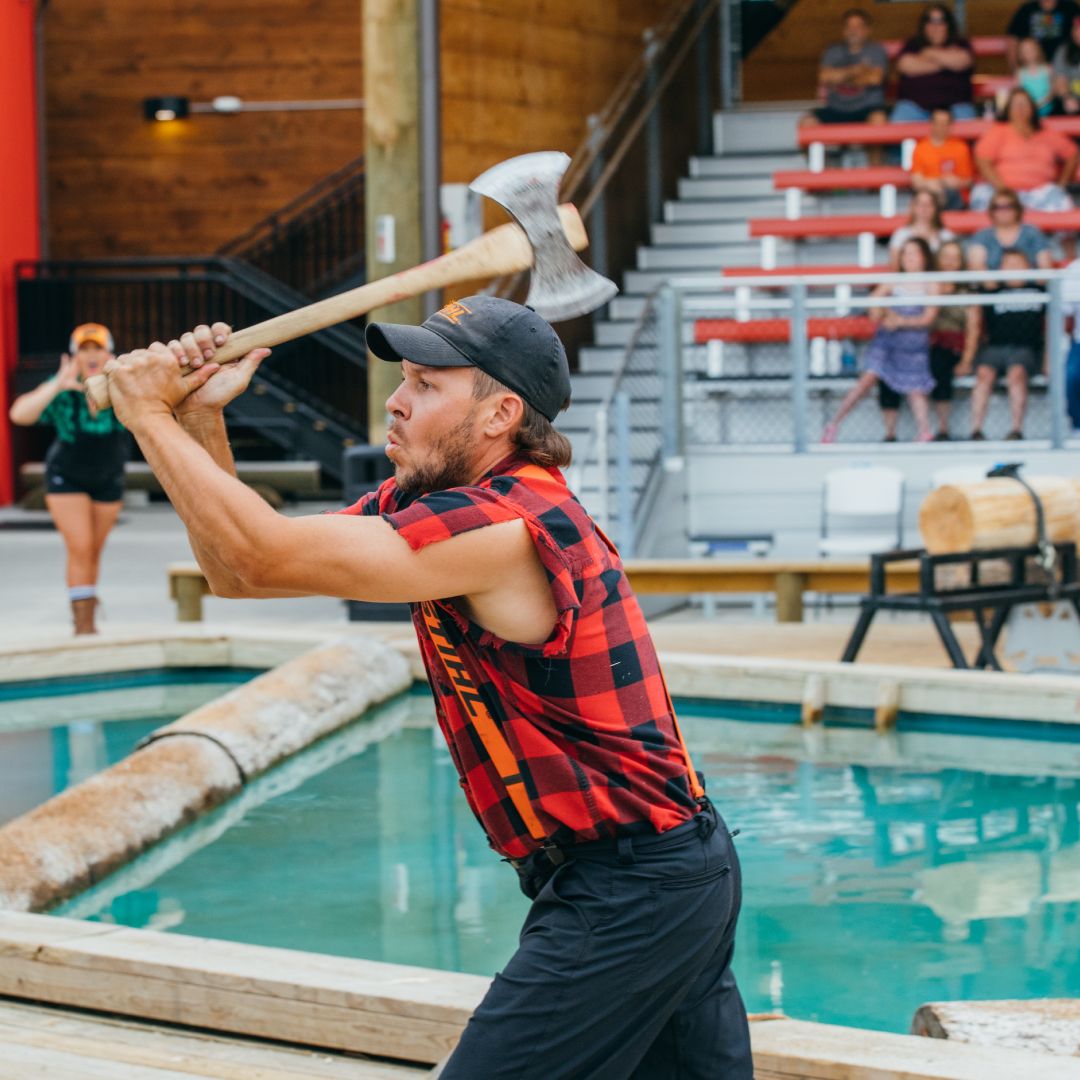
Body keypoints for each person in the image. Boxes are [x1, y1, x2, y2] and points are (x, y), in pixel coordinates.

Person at [98, 296, 754, 1080]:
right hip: (656, 870)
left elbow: (258, 555)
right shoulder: (436, 502)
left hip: (638, 884)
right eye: (404, 378)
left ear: (500, 415)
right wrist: (200, 418)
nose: (396, 402)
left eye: (425, 384)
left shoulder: (509, 525)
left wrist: (151, 419)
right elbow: (239, 570)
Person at [8, 323, 127, 635]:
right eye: (84, 349)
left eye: (97, 348)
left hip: (109, 475)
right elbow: (19, 414)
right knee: (80, 547)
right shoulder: (62, 386)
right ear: (74, 356)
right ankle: (84, 626)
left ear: (109, 354)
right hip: (67, 476)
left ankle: (87, 609)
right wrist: (57, 385)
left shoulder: (122, 385)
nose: (91, 355)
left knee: (94, 550)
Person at [822, 238, 938, 443]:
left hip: (913, 346)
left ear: (924, 257)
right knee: (865, 381)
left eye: (914, 253)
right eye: (905, 253)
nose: (909, 258)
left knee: (916, 388)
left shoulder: (931, 283)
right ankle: (833, 425)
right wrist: (884, 314)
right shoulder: (894, 280)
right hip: (888, 343)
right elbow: (874, 304)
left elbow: (929, 318)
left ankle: (924, 431)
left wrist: (901, 321)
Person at [966, 248, 1046, 439]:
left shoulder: (1039, 291)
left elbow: (1050, 327)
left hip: (1026, 349)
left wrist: (1047, 360)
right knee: (983, 373)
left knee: (1016, 373)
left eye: (1018, 264)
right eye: (1008, 264)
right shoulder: (992, 292)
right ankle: (976, 430)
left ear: (1028, 268)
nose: (1013, 269)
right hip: (995, 347)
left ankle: (1016, 430)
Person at [799, 8, 889, 164]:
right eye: (849, 26)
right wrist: (856, 71)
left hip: (867, 110)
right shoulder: (832, 51)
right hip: (836, 110)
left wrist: (839, 76)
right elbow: (824, 77)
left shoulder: (876, 50)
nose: (853, 30)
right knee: (806, 124)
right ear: (843, 30)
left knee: (879, 120)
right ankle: (824, 174)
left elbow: (875, 78)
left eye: (858, 26)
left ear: (867, 30)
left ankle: (876, 174)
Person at [969, 88, 1078, 213]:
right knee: (981, 194)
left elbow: (1072, 154)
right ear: (1008, 109)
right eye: (1016, 104)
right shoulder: (998, 131)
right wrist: (1003, 190)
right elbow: (983, 161)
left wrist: (1062, 183)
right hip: (1002, 191)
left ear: (1032, 108)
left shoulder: (1046, 132)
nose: (1020, 108)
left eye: (1024, 104)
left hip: (1040, 193)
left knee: (1061, 201)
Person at [927, 240, 981, 439]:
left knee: (941, 362)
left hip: (957, 346)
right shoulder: (928, 287)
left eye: (955, 258)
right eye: (946, 257)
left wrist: (966, 360)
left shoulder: (968, 292)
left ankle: (942, 428)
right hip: (929, 343)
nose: (950, 262)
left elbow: (974, 329)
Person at [891, 4, 977, 123]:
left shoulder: (961, 43)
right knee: (899, 120)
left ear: (948, 25)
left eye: (941, 21)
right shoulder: (912, 44)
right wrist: (947, 61)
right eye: (930, 21)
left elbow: (962, 62)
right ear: (924, 26)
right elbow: (905, 66)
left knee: (969, 123)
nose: (935, 26)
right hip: (915, 107)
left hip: (957, 106)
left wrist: (929, 53)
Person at [966, 186, 1055, 269]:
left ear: (1017, 209)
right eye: (997, 207)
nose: (1003, 211)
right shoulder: (983, 236)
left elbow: (1045, 268)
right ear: (991, 210)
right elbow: (977, 267)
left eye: (1008, 206)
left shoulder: (1032, 233)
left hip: (1030, 281)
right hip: (992, 281)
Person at [910, 107, 975, 209]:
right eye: (938, 123)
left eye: (945, 123)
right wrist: (935, 183)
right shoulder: (920, 148)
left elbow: (969, 181)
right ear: (931, 124)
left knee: (951, 193)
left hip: (955, 197)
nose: (941, 127)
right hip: (930, 195)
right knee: (926, 196)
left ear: (950, 125)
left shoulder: (960, 147)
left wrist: (958, 182)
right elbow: (916, 181)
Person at [888, 189, 956, 268]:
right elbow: (895, 266)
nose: (924, 208)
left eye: (929, 204)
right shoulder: (901, 235)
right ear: (912, 207)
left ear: (936, 208)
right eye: (920, 204)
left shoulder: (946, 236)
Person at [1007, 0, 1080, 67]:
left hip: (1066, 67)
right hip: (1034, 68)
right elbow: (1012, 40)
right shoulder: (1026, 10)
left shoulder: (1071, 8)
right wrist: (1015, 68)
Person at [1017, 36, 1056, 114]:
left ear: (1038, 50)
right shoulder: (1020, 73)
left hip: (1049, 110)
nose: (1029, 53)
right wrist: (1030, 105)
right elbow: (1018, 93)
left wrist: (1041, 103)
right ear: (1021, 55)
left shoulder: (1048, 69)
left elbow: (1053, 91)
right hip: (1029, 111)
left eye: (1031, 50)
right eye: (1025, 51)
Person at [1051, 15, 1080, 112]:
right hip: (1070, 102)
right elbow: (1060, 80)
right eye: (1076, 29)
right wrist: (1067, 98)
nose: (1078, 33)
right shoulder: (1063, 51)